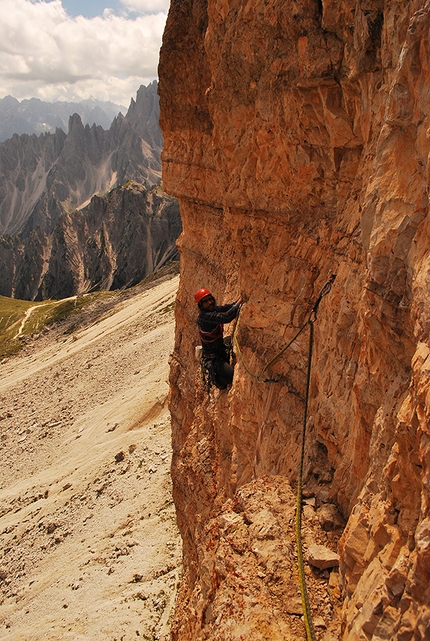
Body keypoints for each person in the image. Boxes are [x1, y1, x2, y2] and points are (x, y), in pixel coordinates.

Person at [194, 288, 242, 390]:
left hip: (220, 348)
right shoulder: (205, 317)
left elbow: (226, 308)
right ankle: (218, 380)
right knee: (232, 376)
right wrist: (240, 303)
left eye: (210, 299)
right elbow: (226, 317)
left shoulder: (212, 309)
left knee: (233, 339)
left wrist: (238, 300)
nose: (210, 302)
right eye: (206, 301)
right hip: (213, 358)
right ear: (201, 306)